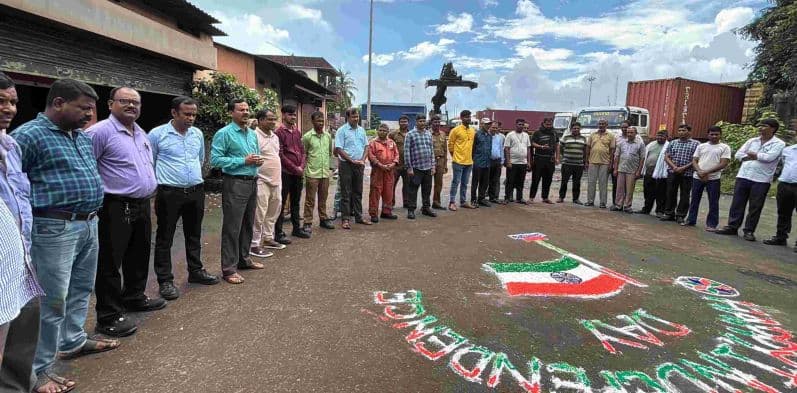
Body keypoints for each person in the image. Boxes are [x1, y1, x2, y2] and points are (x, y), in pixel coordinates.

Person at [13, 79, 115, 393]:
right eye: (83, 108)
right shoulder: (27, 136)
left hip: (88, 223)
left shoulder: (80, 137)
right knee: (51, 301)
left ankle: (73, 340)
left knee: (82, 288)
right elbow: (13, 187)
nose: (89, 114)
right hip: (53, 228)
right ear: (58, 103)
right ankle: (37, 371)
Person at [87, 87, 167, 338]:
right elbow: (88, 169)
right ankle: (108, 316)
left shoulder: (140, 132)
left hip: (141, 204)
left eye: (136, 102)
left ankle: (134, 296)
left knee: (139, 255)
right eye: (125, 101)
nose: (132, 106)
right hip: (114, 205)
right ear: (111, 104)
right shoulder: (99, 132)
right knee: (110, 261)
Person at [0, 72, 45, 393]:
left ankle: (20, 385)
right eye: (1, 101)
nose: (9, 109)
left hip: (21, 256)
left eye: (13, 101)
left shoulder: (12, 145)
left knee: (25, 325)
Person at [149, 96, 219, 301]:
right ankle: (165, 281)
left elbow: (200, 159)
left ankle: (196, 271)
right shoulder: (157, 134)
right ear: (174, 113)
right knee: (165, 237)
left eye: (194, 114)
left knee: (194, 233)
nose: (191, 118)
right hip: (169, 193)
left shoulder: (197, 134)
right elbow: (149, 161)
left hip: (195, 191)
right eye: (186, 114)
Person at [211, 99, 265, 284]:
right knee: (232, 227)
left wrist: (258, 161)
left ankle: (244, 259)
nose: (245, 112)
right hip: (234, 183)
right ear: (231, 112)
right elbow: (216, 160)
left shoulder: (252, 134)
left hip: (252, 182)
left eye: (247, 109)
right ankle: (228, 269)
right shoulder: (224, 133)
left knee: (248, 223)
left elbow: (253, 156)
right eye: (241, 110)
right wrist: (243, 161)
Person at [716, 119, 786, 241]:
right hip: (743, 175)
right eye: (760, 125)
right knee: (737, 203)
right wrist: (753, 156)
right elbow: (738, 155)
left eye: (764, 126)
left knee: (755, 206)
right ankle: (732, 226)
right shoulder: (752, 140)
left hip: (761, 179)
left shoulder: (779, 143)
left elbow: (770, 157)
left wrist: (754, 155)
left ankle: (749, 230)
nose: (760, 128)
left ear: (773, 129)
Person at [249, 109, 284, 259]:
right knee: (259, 213)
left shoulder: (275, 137)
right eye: (270, 119)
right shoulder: (253, 136)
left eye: (274, 119)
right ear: (261, 120)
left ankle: (268, 238)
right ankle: (254, 244)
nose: (273, 122)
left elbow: (274, 155)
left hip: (276, 180)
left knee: (274, 211)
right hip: (261, 180)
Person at [682, 126, 731, 230]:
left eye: (716, 134)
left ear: (720, 135)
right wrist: (699, 171)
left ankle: (712, 224)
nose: (714, 136)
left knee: (713, 201)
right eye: (711, 134)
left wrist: (706, 172)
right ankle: (691, 220)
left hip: (713, 178)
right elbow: (695, 160)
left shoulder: (724, 147)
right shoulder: (701, 146)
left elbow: (723, 163)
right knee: (694, 199)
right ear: (708, 135)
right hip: (697, 177)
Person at [273, 105, 309, 242]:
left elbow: (302, 151)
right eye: (290, 114)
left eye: (294, 115)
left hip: (298, 173)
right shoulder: (279, 133)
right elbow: (280, 154)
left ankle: (296, 228)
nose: (293, 117)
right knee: (281, 203)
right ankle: (278, 233)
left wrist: (301, 166)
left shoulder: (297, 131)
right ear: (283, 115)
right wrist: (295, 168)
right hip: (285, 173)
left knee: (296, 201)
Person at [335, 107, 371, 229]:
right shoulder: (341, 131)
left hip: (359, 165)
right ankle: (345, 219)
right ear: (348, 118)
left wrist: (362, 160)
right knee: (346, 192)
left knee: (358, 192)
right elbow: (339, 149)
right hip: (346, 165)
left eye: (357, 117)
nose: (356, 119)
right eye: (353, 117)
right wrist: (351, 160)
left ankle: (359, 217)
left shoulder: (361, 130)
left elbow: (366, 146)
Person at [659, 124, 700, 223]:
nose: (681, 132)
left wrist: (683, 168)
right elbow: (667, 157)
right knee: (670, 193)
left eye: (684, 130)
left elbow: (696, 159)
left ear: (689, 132)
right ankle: (669, 213)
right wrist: (674, 167)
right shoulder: (673, 143)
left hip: (688, 173)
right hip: (673, 172)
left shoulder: (696, 144)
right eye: (680, 130)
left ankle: (680, 215)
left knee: (685, 195)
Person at [302, 111, 335, 233]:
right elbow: (304, 154)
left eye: (322, 121)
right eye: (318, 121)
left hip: (324, 173)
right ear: (313, 121)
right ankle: (307, 222)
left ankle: (323, 219)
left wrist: (329, 169)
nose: (321, 123)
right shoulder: (307, 137)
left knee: (323, 198)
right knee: (310, 200)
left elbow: (329, 154)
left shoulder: (327, 136)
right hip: (312, 173)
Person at [763, 141, 797, 252]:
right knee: (783, 212)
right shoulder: (788, 150)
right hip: (785, 184)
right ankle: (781, 237)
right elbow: (783, 164)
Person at [404, 115, 437, 219]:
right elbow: (406, 152)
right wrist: (409, 167)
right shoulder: (410, 134)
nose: (422, 123)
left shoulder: (428, 134)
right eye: (420, 121)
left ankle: (426, 208)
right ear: (416, 122)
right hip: (416, 168)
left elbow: (431, 150)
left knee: (427, 189)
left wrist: (433, 166)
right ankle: (411, 210)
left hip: (427, 168)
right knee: (412, 190)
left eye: (424, 121)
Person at [367, 123, 399, 222]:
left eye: (384, 130)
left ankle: (386, 212)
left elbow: (397, 155)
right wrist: (380, 165)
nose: (382, 132)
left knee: (388, 192)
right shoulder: (373, 143)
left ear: (388, 132)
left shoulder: (392, 143)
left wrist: (393, 164)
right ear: (377, 131)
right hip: (378, 171)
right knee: (375, 192)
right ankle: (373, 214)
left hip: (389, 172)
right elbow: (371, 156)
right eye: (380, 130)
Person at [611, 126, 645, 212]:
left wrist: (639, 171)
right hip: (621, 169)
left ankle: (627, 206)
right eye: (628, 132)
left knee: (630, 189)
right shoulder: (621, 143)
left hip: (632, 170)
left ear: (635, 133)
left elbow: (642, 158)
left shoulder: (640, 144)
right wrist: (615, 169)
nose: (629, 134)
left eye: (631, 132)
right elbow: (617, 156)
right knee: (619, 188)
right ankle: (618, 205)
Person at [448, 110, 476, 210]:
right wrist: (455, 157)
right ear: (461, 118)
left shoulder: (472, 130)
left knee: (465, 183)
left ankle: (463, 201)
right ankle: (451, 202)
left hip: (469, 162)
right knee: (456, 182)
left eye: (469, 117)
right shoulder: (455, 130)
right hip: (458, 162)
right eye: (466, 117)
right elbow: (450, 146)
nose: (468, 118)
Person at [637, 130, 669, 217]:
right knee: (647, 192)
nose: (659, 137)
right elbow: (644, 156)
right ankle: (646, 209)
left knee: (660, 193)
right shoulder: (651, 144)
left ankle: (660, 211)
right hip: (648, 172)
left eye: (662, 136)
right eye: (658, 135)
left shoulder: (668, 146)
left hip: (660, 173)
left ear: (666, 137)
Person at [585, 119, 616, 208]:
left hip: (605, 163)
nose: (601, 125)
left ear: (607, 125)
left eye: (603, 124)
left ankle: (603, 203)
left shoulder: (610, 136)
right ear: (597, 125)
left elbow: (612, 150)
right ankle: (590, 201)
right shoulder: (592, 135)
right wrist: (587, 161)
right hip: (592, 161)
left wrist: (610, 163)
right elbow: (588, 148)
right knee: (591, 182)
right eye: (600, 124)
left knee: (603, 183)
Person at [529, 117, 559, 203]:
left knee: (548, 179)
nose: (549, 126)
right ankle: (531, 197)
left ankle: (545, 197)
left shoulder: (554, 133)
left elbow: (557, 145)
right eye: (547, 124)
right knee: (536, 179)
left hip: (550, 159)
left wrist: (557, 158)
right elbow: (532, 143)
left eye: (550, 124)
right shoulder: (537, 132)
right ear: (543, 123)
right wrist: (541, 147)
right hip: (539, 158)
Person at [557, 122, 587, 204]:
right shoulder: (566, 138)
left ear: (580, 129)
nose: (576, 129)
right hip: (567, 164)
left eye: (578, 128)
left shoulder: (583, 138)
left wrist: (584, 161)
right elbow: (561, 148)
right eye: (574, 128)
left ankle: (575, 199)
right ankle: (561, 197)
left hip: (579, 164)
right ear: (571, 129)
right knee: (564, 181)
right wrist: (564, 156)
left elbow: (584, 151)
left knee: (577, 182)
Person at [504, 118, 532, 204]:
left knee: (521, 181)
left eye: (522, 125)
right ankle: (507, 198)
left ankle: (519, 198)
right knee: (510, 181)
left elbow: (528, 149)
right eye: (519, 124)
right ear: (516, 125)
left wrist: (528, 162)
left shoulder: (526, 135)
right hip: (513, 163)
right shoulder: (510, 135)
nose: (521, 126)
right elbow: (507, 149)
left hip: (523, 163)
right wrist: (508, 161)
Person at [470, 118, 493, 207]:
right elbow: (472, 148)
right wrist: (474, 160)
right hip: (478, 162)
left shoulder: (489, 135)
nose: (488, 125)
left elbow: (489, 149)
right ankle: (473, 199)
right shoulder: (477, 134)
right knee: (475, 182)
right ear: (482, 124)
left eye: (489, 124)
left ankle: (481, 198)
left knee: (485, 182)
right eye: (486, 124)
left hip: (487, 162)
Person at [389, 116, 410, 209]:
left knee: (407, 185)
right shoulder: (393, 134)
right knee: (392, 184)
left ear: (408, 123)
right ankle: (391, 203)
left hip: (407, 164)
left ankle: (406, 202)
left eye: (405, 122)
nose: (403, 123)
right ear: (399, 123)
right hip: (396, 165)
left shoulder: (411, 134)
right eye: (402, 121)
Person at [430, 115, 448, 209]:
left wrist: (445, 164)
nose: (437, 124)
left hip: (440, 160)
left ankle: (436, 202)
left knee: (439, 183)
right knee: (427, 183)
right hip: (429, 162)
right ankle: (426, 204)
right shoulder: (427, 133)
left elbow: (445, 150)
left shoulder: (443, 134)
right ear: (431, 123)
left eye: (438, 122)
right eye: (435, 122)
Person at [488, 121, 505, 204]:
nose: (494, 129)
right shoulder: (486, 136)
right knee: (486, 180)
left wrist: (502, 161)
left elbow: (501, 149)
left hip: (497, 161)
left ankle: (493, 197)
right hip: (488, 161)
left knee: (495, 180)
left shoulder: (499, 137)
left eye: (496, 127)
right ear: (489, 127)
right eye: (493, 127)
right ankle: (482, 197)